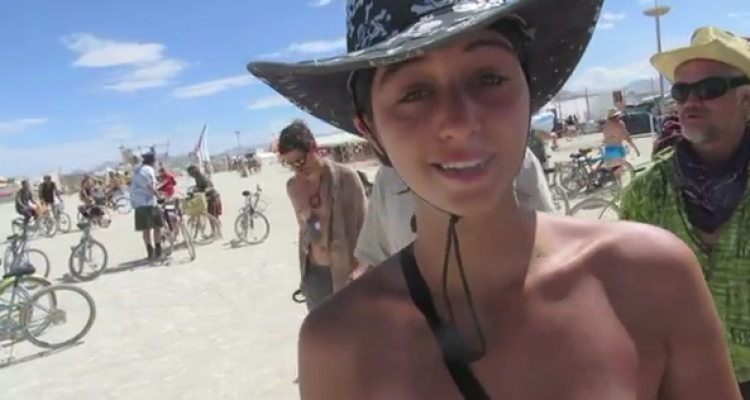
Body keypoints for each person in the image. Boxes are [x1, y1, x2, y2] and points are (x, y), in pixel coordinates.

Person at [248, 1, 740, 399]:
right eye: (414, 92)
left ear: (529, 91)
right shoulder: (338, 344)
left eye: (488, 78)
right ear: (369, 129)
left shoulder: (651, 276)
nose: (460, 121)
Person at [619, 27, 750, 397]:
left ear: (745, 99)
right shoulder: (646, 192)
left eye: (709, 89)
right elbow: (626, 296)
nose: (691, 101)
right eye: (681, 92)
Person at [356, 146, 554, 272]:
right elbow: (375, 259)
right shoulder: (388, 177)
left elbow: (549, 246)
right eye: (415, 96)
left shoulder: (516, 157)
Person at [277, 119, 366, 311]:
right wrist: (310, 217)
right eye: (290, 165)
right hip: (315, 273)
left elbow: (367, 227)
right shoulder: (294, 188)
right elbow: (313, 234)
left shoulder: (346, 178)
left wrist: (362, 269)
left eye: (300, 161)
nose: (298, 169)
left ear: (314, 147)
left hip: (347, 273)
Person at [129, 152, 164, 259]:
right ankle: (158, 251)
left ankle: (150, 252)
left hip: (139, 204)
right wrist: (159, 196)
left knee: (146, 230)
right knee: (157, 227)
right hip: (149, 203)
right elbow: (150, 186)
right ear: (152, 161)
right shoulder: (148, 170)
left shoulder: (137, 170)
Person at [601, 108, 640, 178]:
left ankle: (617, 182)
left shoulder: (605, 126)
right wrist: (636, 149)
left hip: (608, 149)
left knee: (615, 170)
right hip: (618, 149)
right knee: (623, 166)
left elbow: (605, 138)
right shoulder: (620, 124)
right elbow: (628, 138)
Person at [186, 164, 223, 238]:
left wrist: (203, 192)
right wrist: (195, 188)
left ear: (193, 172)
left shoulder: (202, 177)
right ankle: (216, 233)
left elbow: (210, 187)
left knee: (213, 216)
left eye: (190, 173)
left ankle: (217, 233)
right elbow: (201, 186)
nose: (190, 175)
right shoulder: (197, 178)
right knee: (212, 217)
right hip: (209, 198)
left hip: (213, 197)